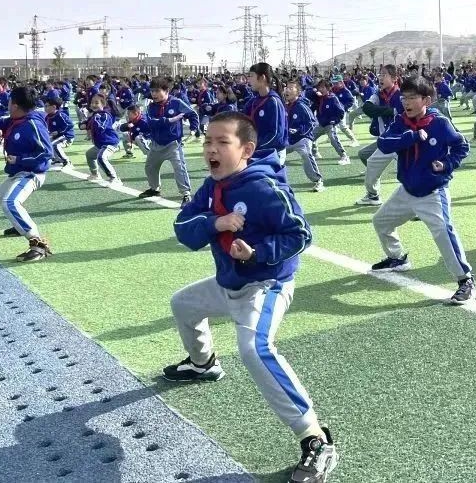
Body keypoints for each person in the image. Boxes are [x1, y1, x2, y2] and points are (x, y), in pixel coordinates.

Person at [167, 111, 338, 483]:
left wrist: (257, 252)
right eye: (207, 142)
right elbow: (182, 227)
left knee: (254, 349)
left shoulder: (263, 187)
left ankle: (316, 438)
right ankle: (204, 364)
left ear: (246, 149)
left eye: (221, 142)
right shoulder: (211, 188)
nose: (211, 149)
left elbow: (301, 234)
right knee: (183, 303)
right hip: (228, 282)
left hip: (266, 286)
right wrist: (216, 223)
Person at [369, 76, 476, 304]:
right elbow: (384, 143)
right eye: (404, 97)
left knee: (443, 232)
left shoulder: (440, 123)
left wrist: (446, 164)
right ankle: (398, 258)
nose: (406, 102)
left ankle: (465, 280)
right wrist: (411, 137)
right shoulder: (401, 123)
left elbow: (461, 146)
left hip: (433, 191)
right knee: (381, 222)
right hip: (407, 190)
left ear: (426, 100)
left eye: (412, 98)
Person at [0, 87, 54, 262]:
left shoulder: (33, 124)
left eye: (10, 101)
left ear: (15, 105)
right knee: (0, 194)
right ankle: (19, 227)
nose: (7, 104)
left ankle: (37, 245)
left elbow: (47, 153)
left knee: (10, 202)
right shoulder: (14, 119)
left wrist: (19, 159)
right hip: (18, 172)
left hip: (32, 173)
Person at [140, 76, 198, 204]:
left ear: (166, 91)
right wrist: (169, 120)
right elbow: (151, 123)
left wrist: (193, 130)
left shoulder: (176, 103)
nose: (153, 94)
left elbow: (192, 114)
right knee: (150, 167)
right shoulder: (150, 107)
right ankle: (155, 188)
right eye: (152, 91)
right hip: (156, 144)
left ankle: (186, 194)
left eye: (157, 91)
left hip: (173, 144)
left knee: (179, 168)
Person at [354, 65, 404, 206]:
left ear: (394, 79)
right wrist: (389, 111)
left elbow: (402, 113)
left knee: (411, 172)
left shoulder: (401, 95)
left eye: (384, 75)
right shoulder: (378, 93)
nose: (380, 78)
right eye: (380, 75)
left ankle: (420, 202)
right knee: (370, 161)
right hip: (385, 141)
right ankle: (373, 195)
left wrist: (382, 111)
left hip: (402, 141)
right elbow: (367, 108)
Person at [283, 82, 325, 192]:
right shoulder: (285, 106)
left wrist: (299, 131)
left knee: (306, 154)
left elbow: (312, 122)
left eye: (291, 88)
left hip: (303, 138)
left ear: (298, 92)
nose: (287, 90)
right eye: (287, 87)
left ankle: (318, 180)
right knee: (276, 155)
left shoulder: (301, 106)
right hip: (289, 140)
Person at [245, 63, 288, 165]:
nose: (248, 80)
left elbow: (276, 134)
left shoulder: (274, 102)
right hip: (258, 150)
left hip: (273, 153)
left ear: (262, 78)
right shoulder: (254, 101)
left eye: (251, 76)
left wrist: (255, 146)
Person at [83, 93, 122, 187]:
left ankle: (114, 178)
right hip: (101, 144)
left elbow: (101, 127)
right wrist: (84, 124)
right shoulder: (95, 115)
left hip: (110, 142)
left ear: (103, 104)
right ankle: (95, 174)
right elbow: (87, 124)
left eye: (96, 103)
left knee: (101, 157)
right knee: (89, 155)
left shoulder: (105, 115)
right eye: (92, 102)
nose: (93, 105)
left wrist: (94, 120)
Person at [311, 80, 350, 166]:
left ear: (328, 88)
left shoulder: (332, 98)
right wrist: (314, 91)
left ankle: (344, 156)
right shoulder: (318, 98)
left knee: (333, 139)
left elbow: (341, 111)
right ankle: (315, 153)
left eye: (323, 87)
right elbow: (308, 94)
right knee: (310, 137)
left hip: (330, 124)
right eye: (319, 87)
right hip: (321, 124)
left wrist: (334, 121)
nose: (320, 89)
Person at [44, 97, 75, 168]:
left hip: (67, 137)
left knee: (55, 145)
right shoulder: (48, 117)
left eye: (46, 106)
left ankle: (67, 162)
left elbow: (70, 124)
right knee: (46, 143)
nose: (44, 108)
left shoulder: (61, 115)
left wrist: (58, 132)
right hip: (58, 136)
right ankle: (58, 159)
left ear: (54, 107)